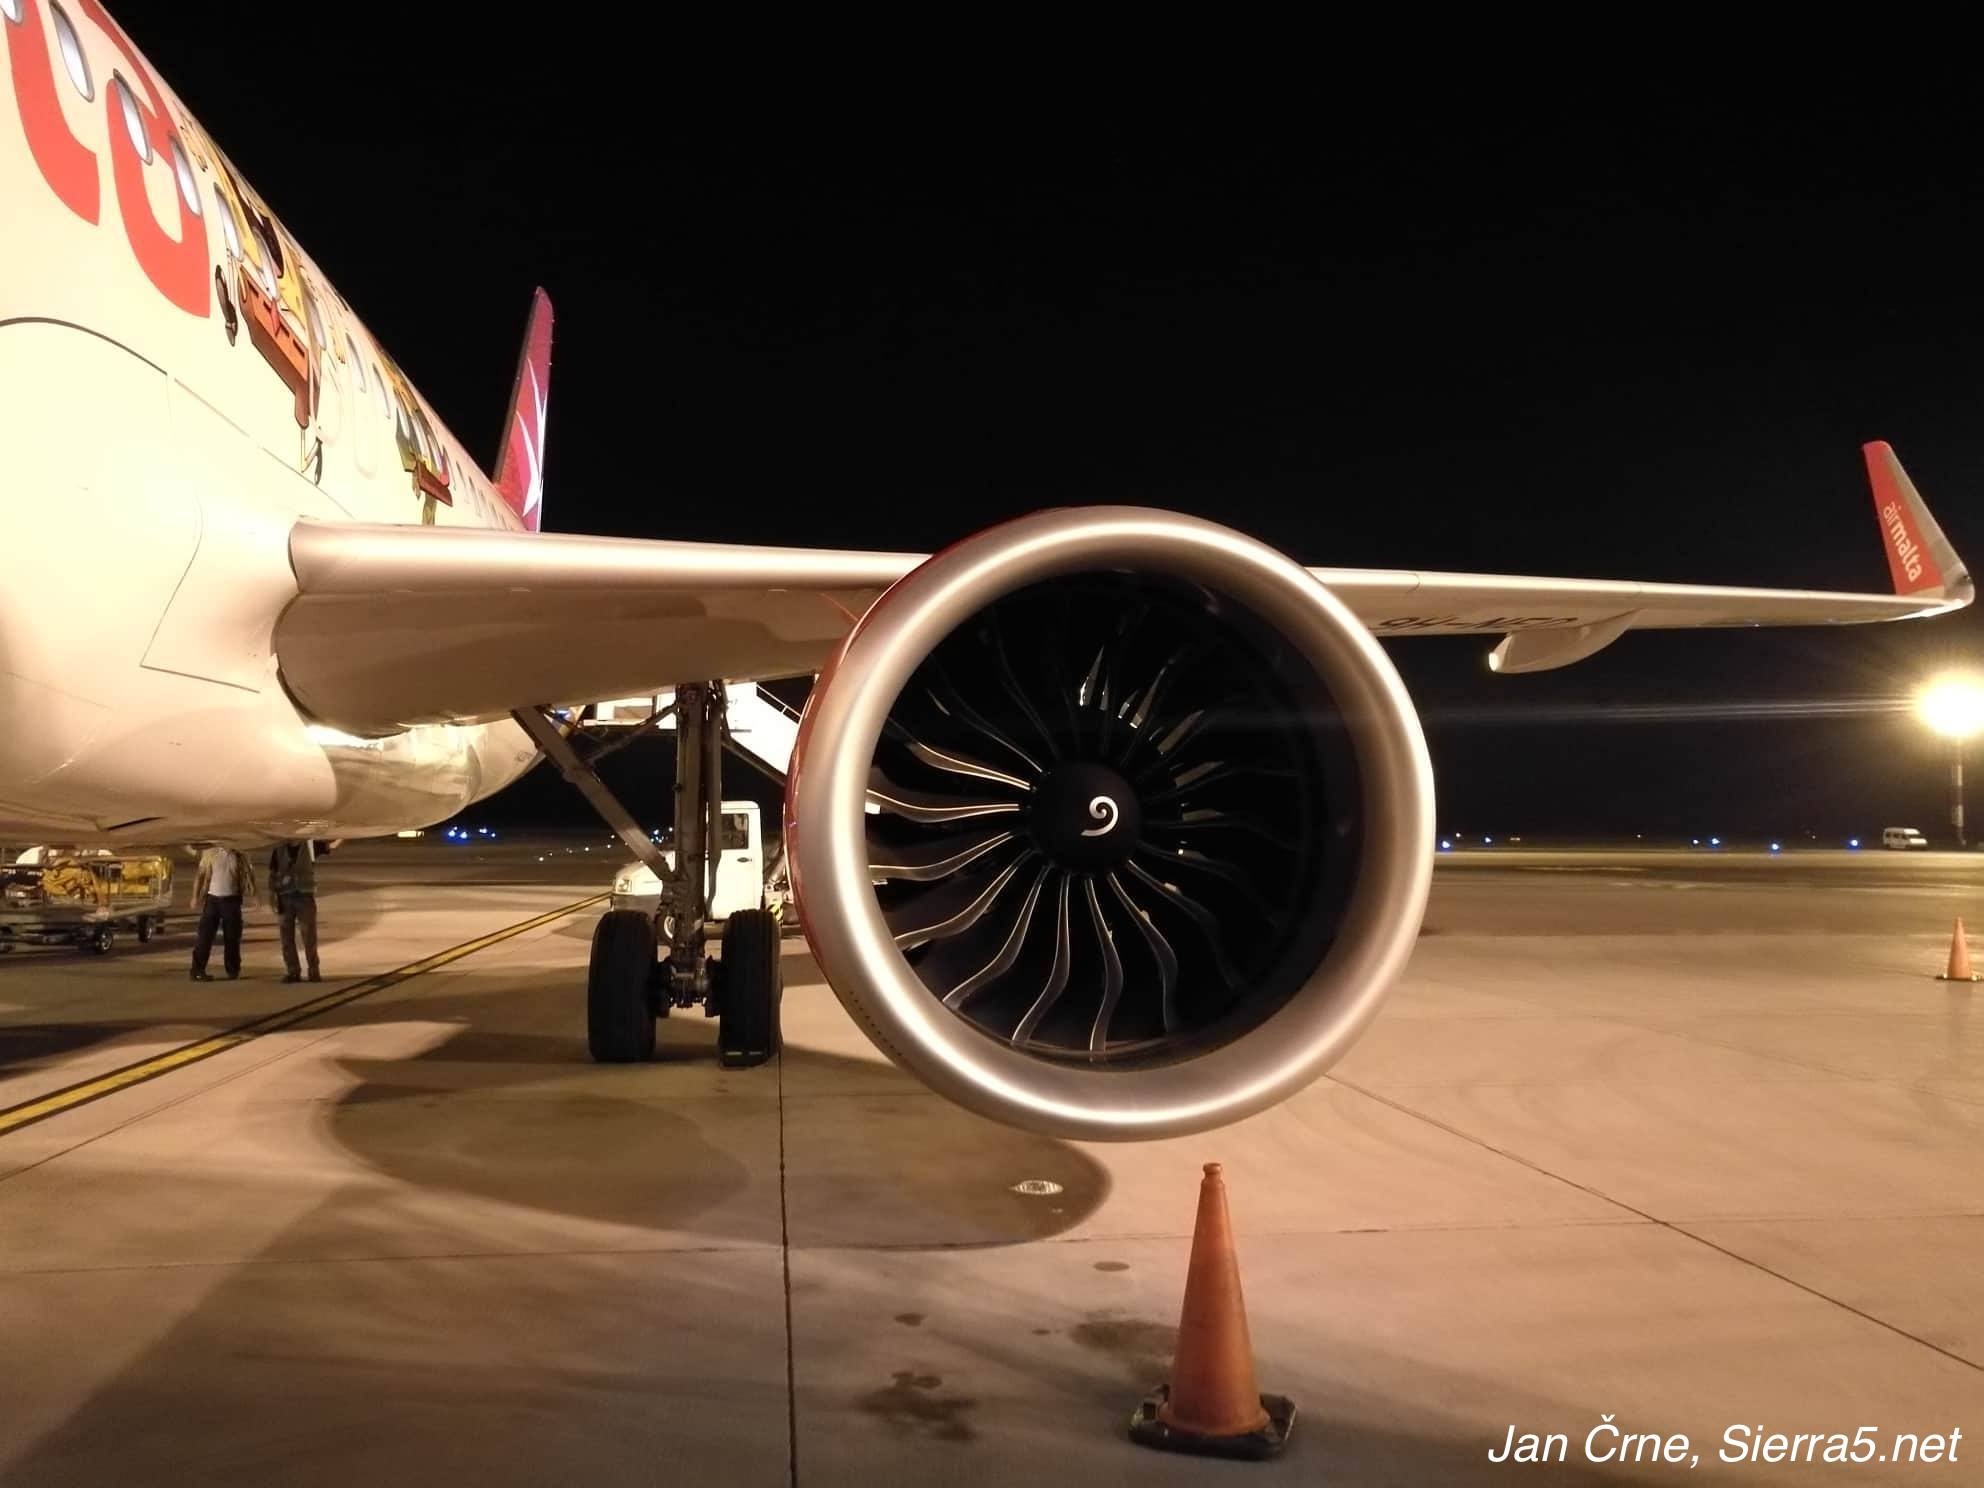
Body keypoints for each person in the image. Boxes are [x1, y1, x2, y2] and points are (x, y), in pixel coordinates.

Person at [190, 843, 255, 980]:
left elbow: (249, 876)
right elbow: (200, 875)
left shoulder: (240, 855)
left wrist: (255, 896)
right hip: (212, 900)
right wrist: (195, 897)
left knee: (232, 937)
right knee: (205, 937)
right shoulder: (210, 853)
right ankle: (197, 970)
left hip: (232, 900)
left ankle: (232, 970)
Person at [268, 838, 323, 983]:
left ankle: (313, 970)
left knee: (309, 936)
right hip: (285, 897)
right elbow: (273, 874)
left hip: (304, 896)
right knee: (286, 937)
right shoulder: (279, 849)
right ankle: (293, 971)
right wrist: (271, 896)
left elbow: (331, 846)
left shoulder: (310, 845)